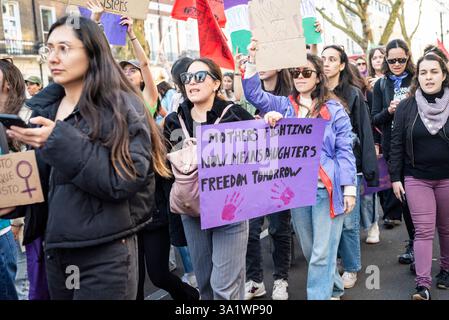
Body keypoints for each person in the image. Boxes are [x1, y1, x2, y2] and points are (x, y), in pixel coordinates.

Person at [6, 16, 155, 300]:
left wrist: (59, 141)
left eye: (65, 48)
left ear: (92, 52)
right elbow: (50, 183)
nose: (53, 58)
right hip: (58, 252)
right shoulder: (45, 110)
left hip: (105, 255)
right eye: (49, 48)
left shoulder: (121, 105)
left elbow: (124, 179)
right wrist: (14, 203)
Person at [243, 39, 357, 300]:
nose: (300, 77)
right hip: (296, 190)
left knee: (320, 252)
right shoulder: (285, 106)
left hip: (327, 189)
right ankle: (335, 287)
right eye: (296, 73)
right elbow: (254, 95)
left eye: (306, 72)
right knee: (311, 250)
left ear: (318, 77)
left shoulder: (334, 109)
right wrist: (252, 60)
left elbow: (344, 151)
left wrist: (349, 189)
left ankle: (319, 295)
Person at [164, 58, 254, 300]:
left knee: (223, 287)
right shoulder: (174, 119)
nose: (192, 82)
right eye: (187, 78)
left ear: (215, 83)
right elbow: (166, 167)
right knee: (204, 286)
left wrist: (272, 119)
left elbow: (261, 149)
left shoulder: (235, 115)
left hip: (230, 210)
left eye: (200, 76)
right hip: (192, 211)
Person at [232, 51, 294, 302]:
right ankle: (255, 280)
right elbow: (246, 97)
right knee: (251, 229)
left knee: (280, 228)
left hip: (280, 170)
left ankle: (281, 280)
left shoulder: (288, 99)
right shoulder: (249, 95)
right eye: (260, 63)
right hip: (252, 171)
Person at [389, 52, 449, 300]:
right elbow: (396, 144)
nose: (428, 77)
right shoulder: (406, 106)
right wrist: (395, 177)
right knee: (423, 231)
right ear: (418, 77)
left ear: (444, 75)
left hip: (447, 178)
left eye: (434, 72)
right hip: (417, 178)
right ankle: (422, 285)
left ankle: (446, 271)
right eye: (423, 72)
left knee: (446, 229)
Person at [321, 45, 378, 290]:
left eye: (332, 59)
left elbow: (364, 130)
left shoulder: (353, 93)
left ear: (342, 65)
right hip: (321, 170)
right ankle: (333, 266)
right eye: (323, 59)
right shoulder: (315, 93)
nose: (326, 63)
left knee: (349, 222)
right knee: (327, 222)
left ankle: (352, 267)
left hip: (347, 166)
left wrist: (369, 168)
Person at [371, 39, 416, 267]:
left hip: (419, 148)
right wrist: (389, 110)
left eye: (401, 59)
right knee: (406, 199)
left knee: (423, 201)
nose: (397, 64)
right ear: (386, 60)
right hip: (394, 150)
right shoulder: (380, 85)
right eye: (392, 60)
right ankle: (414, 243)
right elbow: (374, 118)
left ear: (408, 57)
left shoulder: (418, 79)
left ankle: (423, 244)